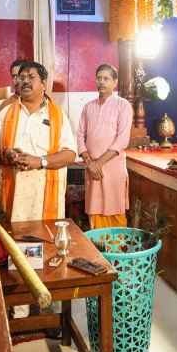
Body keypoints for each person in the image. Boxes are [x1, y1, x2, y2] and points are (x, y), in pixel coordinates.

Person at [0, 61, 77, 221]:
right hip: (11, 194)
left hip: (44, 198)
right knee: (8, 242)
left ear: (43, 84)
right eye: (21, 77)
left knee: (44, 242)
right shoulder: (7, 111)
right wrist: (5, 154)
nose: (25, 81)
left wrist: (40, 162)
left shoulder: (58, 115)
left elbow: (70, 154)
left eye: (31, 77)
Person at [77, 64, 133, 229]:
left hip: (112, 167)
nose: (101, 82)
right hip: (91, 168)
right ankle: (98, 251)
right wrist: (89, 162)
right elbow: (80, 135)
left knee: (114, 208)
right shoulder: (88, 107)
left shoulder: (123, 105)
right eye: (99, 78)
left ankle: (116, 253)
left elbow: (122, 140)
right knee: (95, 209)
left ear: (114, 82)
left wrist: (98, 164)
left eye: (106, 78)